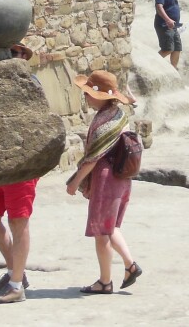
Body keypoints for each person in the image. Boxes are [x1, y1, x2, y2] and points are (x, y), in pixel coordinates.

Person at [66, 70, 143, 295]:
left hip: (107, 179)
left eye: (88, 93)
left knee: (101, 233)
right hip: (122, 178)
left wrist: (75, 182)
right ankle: (130, 266)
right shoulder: (118, 114)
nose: (85, 97)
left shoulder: (104, 122)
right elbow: (130, 103)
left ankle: (105, 281)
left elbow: (92, 159)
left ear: (100, 96)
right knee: (110, 228)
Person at [0, 43, 39, 303]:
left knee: (18, 221)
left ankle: (16, 286)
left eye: (18, 54)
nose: (14, 58)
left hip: (22, 164)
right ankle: (16, 272)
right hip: (0, 164)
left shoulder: (31, 85)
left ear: (25, 58)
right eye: (11, 54)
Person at [154, 0, 183, 68]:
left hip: (173, 25)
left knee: (177, 48)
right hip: (164, 25)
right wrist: (168, 20)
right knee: (168, 49)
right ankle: (150, 65)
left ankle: (174, 70)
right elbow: (159, 7)